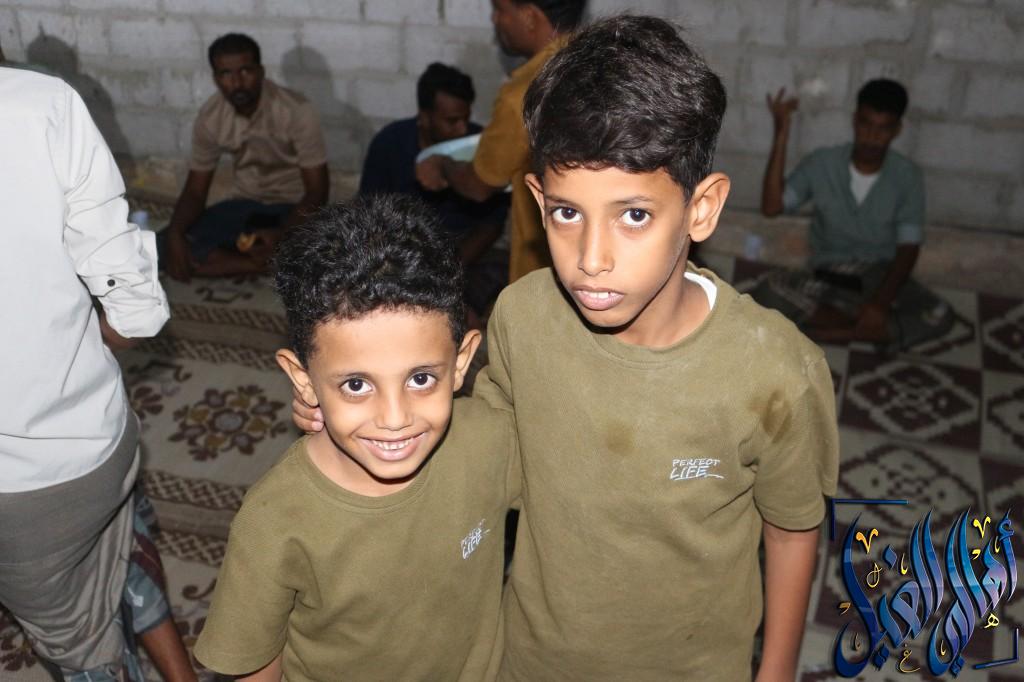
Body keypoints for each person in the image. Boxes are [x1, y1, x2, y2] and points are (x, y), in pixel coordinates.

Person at [298, 16, 839, 681]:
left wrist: (775, 671)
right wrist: (359, 418)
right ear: (536, 198)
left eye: (633, 215)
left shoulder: (777, 374)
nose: (592, 258)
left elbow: (791, 530)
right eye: (566, 212)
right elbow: (484, 448)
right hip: (534, 659)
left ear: (702, 209)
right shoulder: (523, 318)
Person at [193, 195, 519, 681]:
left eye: (420, 379)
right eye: (356, 385)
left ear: (462, 362)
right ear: (303, 381)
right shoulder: (274, 522)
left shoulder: (491, 440)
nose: (395, 418)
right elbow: (254, 668)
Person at [0, 67, 195, 681]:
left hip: (18, 494)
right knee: (123, 548)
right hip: (97, 443)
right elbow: (133, 313)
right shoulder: (41, 103)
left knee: (84, 651)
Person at [758, 78, 953, 347]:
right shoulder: (822, 163)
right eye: (866, 124)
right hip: (829, 275)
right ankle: (870, 328)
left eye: (883, 129)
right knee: (770, 289)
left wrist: (881, 302)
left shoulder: (907, 177)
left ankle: (835, 331)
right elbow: (771, 207)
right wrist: (781, 132)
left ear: (897, 130)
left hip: (878, 278)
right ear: (854, 121)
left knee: (940, 313)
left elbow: (909, 248)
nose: (872, 137)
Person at [416, 0, 586, 283]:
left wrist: (442, 164)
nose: (495, 19)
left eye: (500, 9)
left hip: (546, 275)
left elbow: (479, 185)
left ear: (529, 16)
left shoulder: (524, 94)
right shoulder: (595, 63)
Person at [163, 33, 329, 282]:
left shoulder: (297, 110)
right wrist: (175, 234)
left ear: (260, 72)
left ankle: (246, 259)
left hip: (291, 207)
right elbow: (196, 191)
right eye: (226, 74)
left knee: (319, 245)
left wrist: (283, 233)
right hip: (243, 206)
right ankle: (261, 263)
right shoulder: (210, 117)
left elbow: (318, 191)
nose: (237, 83)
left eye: (245, 71)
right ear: (216, 79)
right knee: (164, 247)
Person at [361, 62, 510, 314]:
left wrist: (446, 269)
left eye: (465, 118)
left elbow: (491, 226)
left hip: (463, 254)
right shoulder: (390, 143)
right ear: (425, 117)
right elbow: (369, 215)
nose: (462, 128)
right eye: (452, 121)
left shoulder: (480, 146)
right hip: (403, 251)